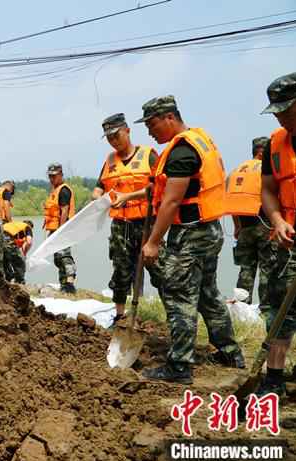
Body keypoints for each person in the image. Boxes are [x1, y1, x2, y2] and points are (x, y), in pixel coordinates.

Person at [138, 95, 243, 384]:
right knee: (208, 294)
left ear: (169, 117)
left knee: (178, 296)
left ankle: (179, 365)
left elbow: (172, 202)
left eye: (152, 124)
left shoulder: (182, 151)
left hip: (190, 233)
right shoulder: (201, 139)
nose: (149, 131)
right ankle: (230, 352)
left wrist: (153, 242)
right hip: (209, 230)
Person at [91, 113, 163, 324]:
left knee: (158, 270)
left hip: (147, 223)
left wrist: (129, 196)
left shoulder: (148, 154)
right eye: (109, 138)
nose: (114, 141)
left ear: (127, 131)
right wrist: (97, 196)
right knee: (121, 271)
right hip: (121, 226)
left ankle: (172, 317)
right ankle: (120, 316)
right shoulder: (109, 160)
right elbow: (99, 187)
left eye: (116, 135)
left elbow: (159, 186)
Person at [259, 71, 296, 396]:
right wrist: (277, 220)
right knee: (278, 306)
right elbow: (268, 190)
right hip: (288, 238)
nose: (282, 116)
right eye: (278, 111)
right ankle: (274, 378)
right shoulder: (275, 143)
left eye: (288, 108)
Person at [226, 136, 276, 309]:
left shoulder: (237, 170)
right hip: (266, 225)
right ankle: (266, 308)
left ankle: (241, 307)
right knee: (267, 268)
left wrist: (237, 226)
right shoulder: (266, 169)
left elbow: (232, 199)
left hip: (244, 227)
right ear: (263, 152)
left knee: (245, 269)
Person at [43, 163, 77, 293]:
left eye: (54, 176)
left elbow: (64, 211)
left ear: (61, 175)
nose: (52, 179)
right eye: (50, 176)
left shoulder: (63, 190)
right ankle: (63, 283)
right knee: (58, 258)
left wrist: (60, 230)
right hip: (54, 229)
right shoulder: (55, 190)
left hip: (62, 229)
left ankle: (70, 282)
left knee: (64, 256)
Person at [2, 220, 33, 284]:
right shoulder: (27, 227)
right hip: (9, 243)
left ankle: (7, 280)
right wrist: (24, 254)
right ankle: (20, 283)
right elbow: (29, 242)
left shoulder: (14, 225)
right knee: (20, 264)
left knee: (5, 262)